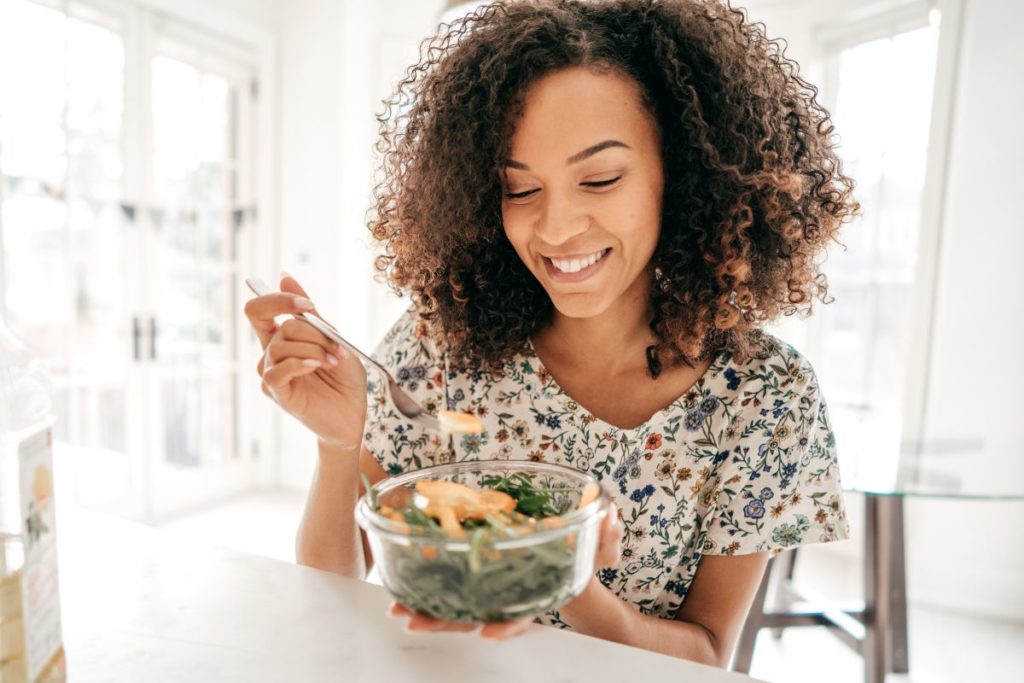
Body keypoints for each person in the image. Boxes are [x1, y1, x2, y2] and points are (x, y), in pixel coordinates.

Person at [244, 0, 857, 667]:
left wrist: (570, 579)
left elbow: (705, 656)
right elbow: (334, 587)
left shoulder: (765, 396)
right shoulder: (438, 346)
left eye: (599, 178)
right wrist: (339, 447)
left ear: (680, 176)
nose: (556, 228)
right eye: (520, 189)